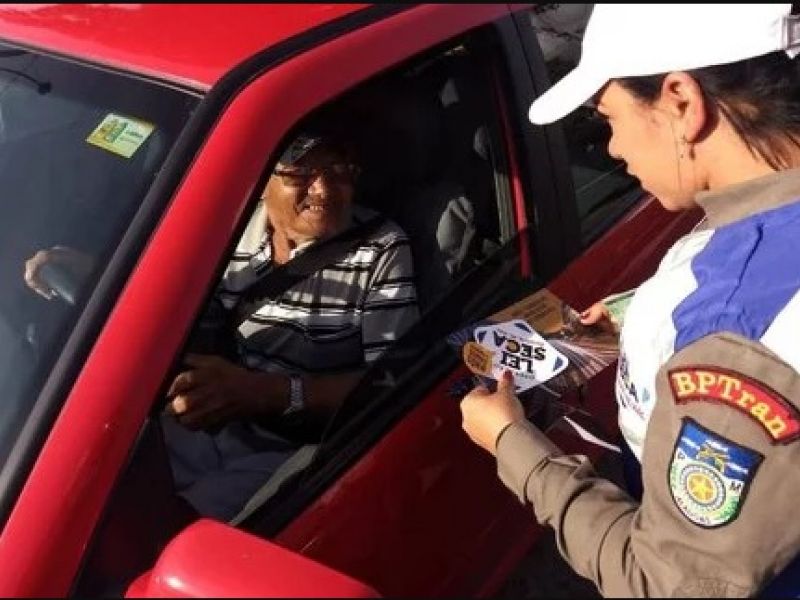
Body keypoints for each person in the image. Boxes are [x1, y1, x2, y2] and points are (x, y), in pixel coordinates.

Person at [460, 4, 800, 597]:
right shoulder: (764, 214)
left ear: (681, 101)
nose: (612, 149)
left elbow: (669, 584)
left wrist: (516, 446)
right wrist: (636, 318)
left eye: (608, 118)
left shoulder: (736, 337)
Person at [26, 126, 420, 521]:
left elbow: (392, 381)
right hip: (201, 414)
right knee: (86, 490)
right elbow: (166, 284)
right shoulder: (229, 220)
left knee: (170, 530)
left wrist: (263, 392)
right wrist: (96, 273)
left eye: (338, 170)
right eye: (301, 173)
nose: (323, 189)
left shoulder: (381, 248)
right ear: (262, 180)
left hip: (286, 447)